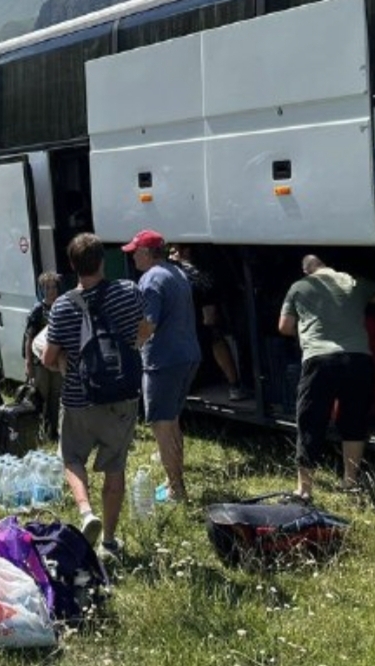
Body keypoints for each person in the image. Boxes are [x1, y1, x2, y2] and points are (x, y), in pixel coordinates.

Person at [43, 233, 143, 561]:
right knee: (115, 466)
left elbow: (49, 358)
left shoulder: (62, 306)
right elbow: (143, 330)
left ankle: (86, 512)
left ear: (72, 266)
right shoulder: (128, 292)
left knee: (72, 458)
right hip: (122, 395)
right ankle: (109, 542)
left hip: (78, 398)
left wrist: (61, 360)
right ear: (102, 261)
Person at [279, 255, 375, 501]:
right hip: (359, 359)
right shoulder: (352, 281)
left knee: (311, 421)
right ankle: (350, 483)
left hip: (319, 360)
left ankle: (304, 490)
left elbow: (285, 327)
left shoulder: (299, 286)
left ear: (307, 271)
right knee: (354, 420)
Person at [125, 230, 201, 502]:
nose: (132, 257)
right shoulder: (176, 273)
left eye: (135, 252)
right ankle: (173, 483)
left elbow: (148, 324)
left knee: (161, 424)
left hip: (163, 361)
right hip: (187, 355)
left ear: (147, 253)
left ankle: (176, 490)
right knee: (172, 420)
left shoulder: (150, 280)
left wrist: (129, 346)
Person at [171, 243, 248, 400]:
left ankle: (234, 384)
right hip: (194, 315)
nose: (171, 256)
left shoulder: (191, 270)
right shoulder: (184, 269)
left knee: (216, 342)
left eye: (174, 252)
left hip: (204, 312)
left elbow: (206, 291)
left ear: (186, 251)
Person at [23, 271, 63, 441]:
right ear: (42, 290)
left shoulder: (61, 307)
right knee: (40, 396)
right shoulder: (38, 310)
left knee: (55, 397)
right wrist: (28, 363)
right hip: (40, 362)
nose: (51, 291)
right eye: (47, 288)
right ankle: (36, 432)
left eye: (53, 287)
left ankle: (52, 431)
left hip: (56, 361)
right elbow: (29, 338)